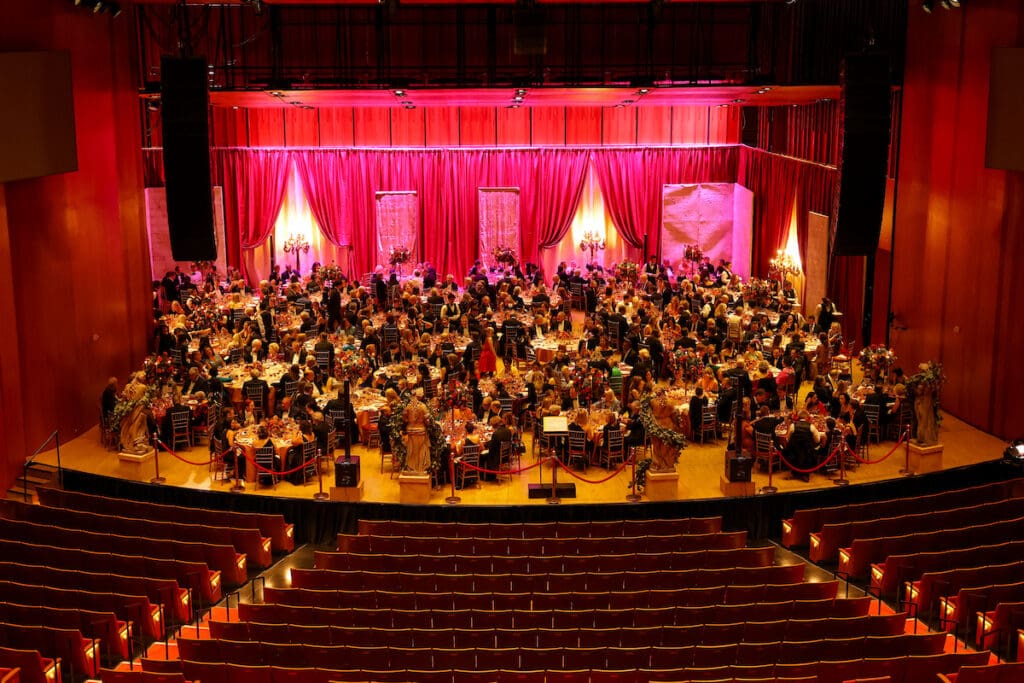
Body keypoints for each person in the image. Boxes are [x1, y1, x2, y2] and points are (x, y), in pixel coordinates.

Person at [784, 410, 821, 482]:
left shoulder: (793, 426)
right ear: (807, 417)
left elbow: (788, 439)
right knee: (810, 451)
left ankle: (794, 472)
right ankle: (805, 474)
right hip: (807, 452)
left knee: (789, 450)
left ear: (798, 417)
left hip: (794, 452)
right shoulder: (811, 427)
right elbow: (817, 440)